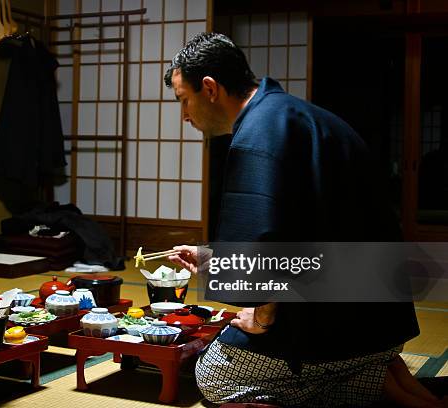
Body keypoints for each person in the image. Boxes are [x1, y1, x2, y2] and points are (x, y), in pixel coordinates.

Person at [165, 33, 441, 407]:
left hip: (333, 331)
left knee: (214, 372)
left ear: (210, 88)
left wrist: (261, 318)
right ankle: (375, 380)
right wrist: (215, 258)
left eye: (184, 100)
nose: (184, 115)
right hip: (383, 324)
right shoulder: (301, 116)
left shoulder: (257, 134)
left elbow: (267, 239)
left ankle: (360, 382)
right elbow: (306, 233)